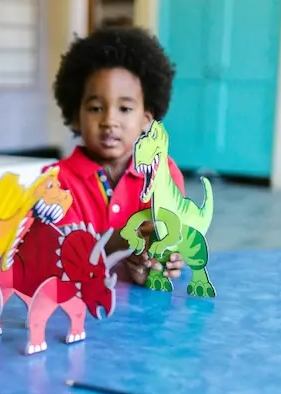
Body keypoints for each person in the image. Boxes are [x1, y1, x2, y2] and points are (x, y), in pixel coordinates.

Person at [48, 26, 186, 285]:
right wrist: (126, 240)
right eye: (96, 108)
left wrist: (161, 261)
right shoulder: (55, 183)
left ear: (147, 119)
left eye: (124, 108)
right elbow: (62, 252)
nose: (109, 120)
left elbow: (172, 239)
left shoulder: (162, 173)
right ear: (76, 115)